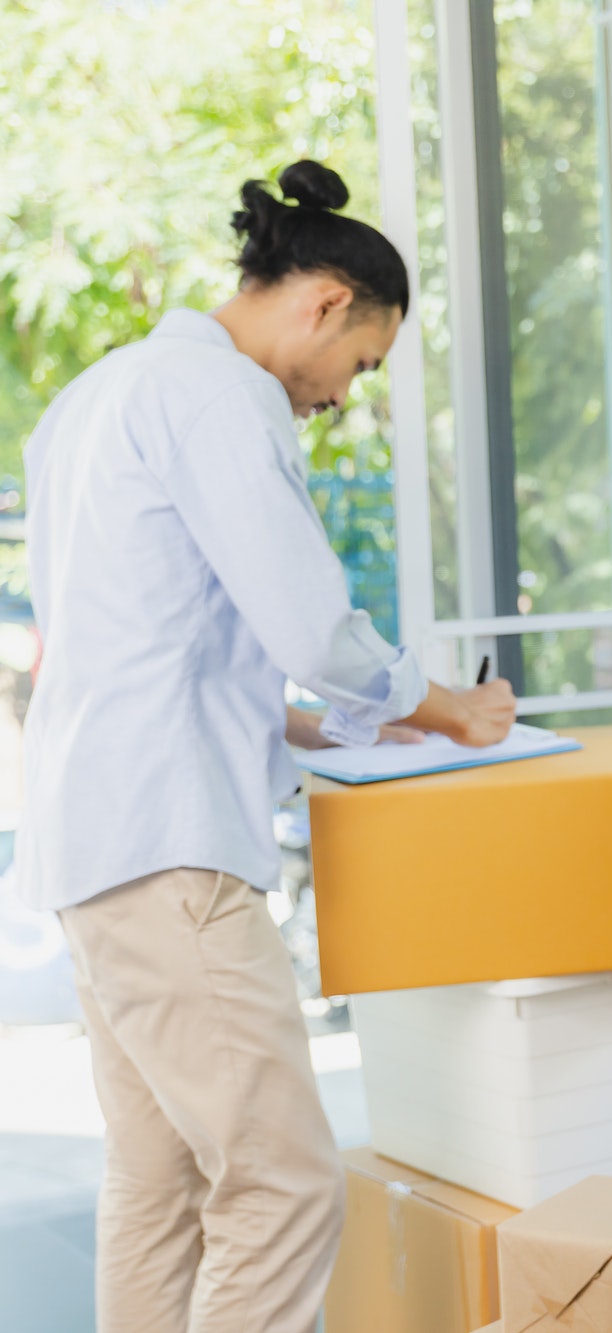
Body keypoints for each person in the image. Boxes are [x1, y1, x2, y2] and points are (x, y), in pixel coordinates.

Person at [17, 159, 516, 1333]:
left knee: (162, 1180)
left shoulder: (90, 398)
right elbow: (306, 627)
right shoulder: (218, 397)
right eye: (365, 361)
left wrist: (360, 716)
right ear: (327, 301)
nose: (347, 392)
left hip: (95, 855)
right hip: (171, 853)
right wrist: (443, 704)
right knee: (286, 1182)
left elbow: (165, 653)